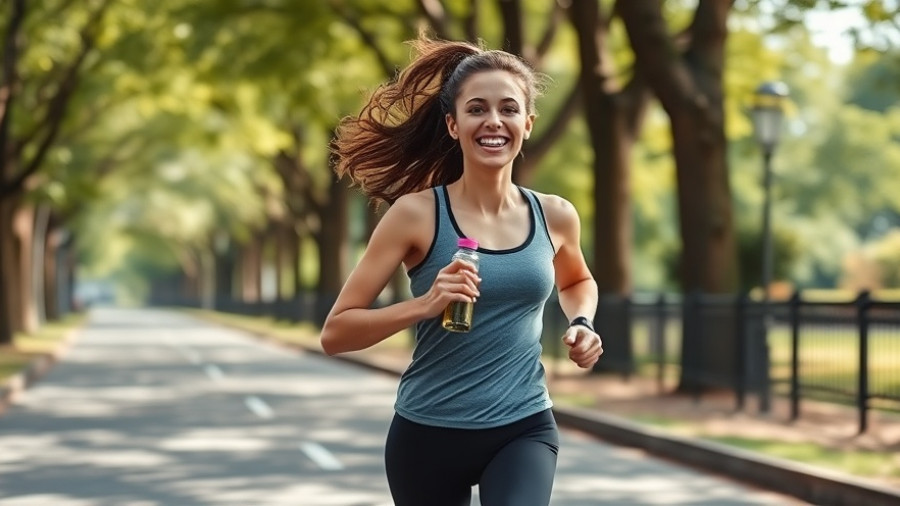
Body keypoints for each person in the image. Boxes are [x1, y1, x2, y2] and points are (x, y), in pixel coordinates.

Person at [320, 33, 603, 506]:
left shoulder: (555, 214)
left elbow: (577, 280)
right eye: (477, 109)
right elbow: (336, 333)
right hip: (428, 432)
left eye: (509, 109)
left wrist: (582, 322)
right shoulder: (415, 215)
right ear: (453, 125)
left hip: (523, 424)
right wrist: (425, 304)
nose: (494, 121)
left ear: (528, 123)